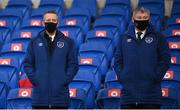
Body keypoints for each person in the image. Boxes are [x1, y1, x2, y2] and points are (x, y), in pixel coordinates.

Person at [114, 7, 171, 109]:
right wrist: (122, 76)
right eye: (139, 17)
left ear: (149, 19)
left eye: (145, 17)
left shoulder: (159, 38)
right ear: (133, 19)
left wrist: (156, 76)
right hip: (128, 97)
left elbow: (165, 59)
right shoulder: (124, 38)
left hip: (151, 97)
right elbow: (118, 61)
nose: (142, 20)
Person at [23, 10, 79, 109]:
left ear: (57, 23)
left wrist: (64, 79)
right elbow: (27, 64)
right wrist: (36, 79)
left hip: (60, 98)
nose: (51, 22)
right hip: (39, 98)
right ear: (43, 22)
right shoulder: (34, 42)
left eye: (53, 20)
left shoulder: (68, 42)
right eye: (48, 20)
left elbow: (73, 65)